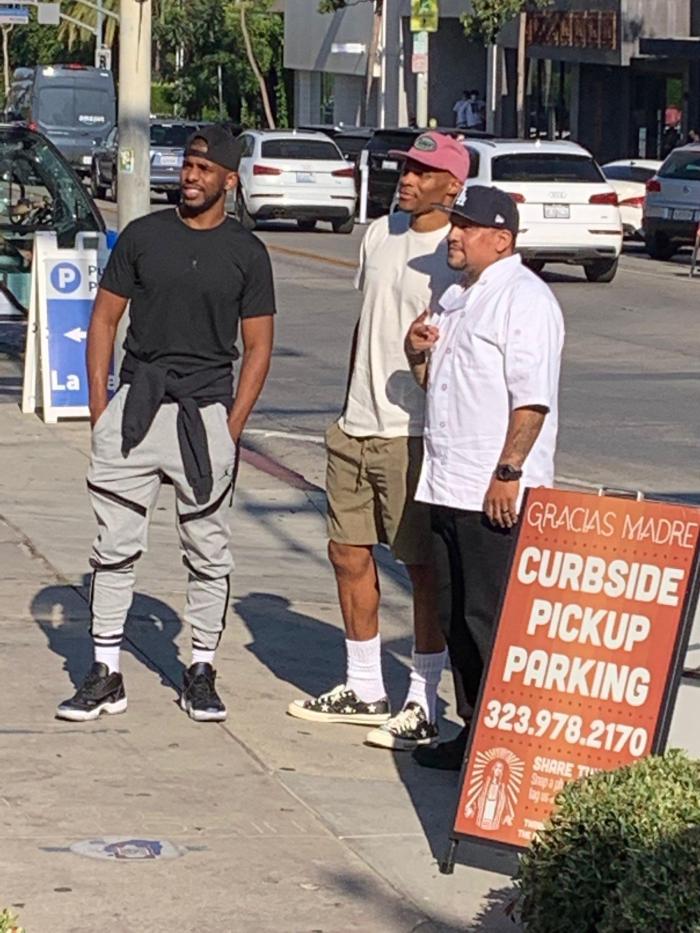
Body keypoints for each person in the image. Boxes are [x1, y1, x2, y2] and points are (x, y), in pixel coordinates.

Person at [56, 126, 275, 723]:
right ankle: (105, 671)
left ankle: (200, 669)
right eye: (188, 164)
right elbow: (104, 320)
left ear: (229, 180)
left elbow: (258, 347)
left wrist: (231, 427)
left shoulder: (247, 252)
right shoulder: (143, 235)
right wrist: (102, 408)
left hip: (205, 416)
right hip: (137, 410)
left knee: (208, 551)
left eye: (204, 168)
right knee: (113, 546)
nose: (191, 175)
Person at [287, 133, 469, 750]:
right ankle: (364, 686)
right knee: (347, 553)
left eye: (423, 171)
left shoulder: (454, 252)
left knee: (421, 567)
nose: (408, 179)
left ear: (452, 186)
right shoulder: (379, 233)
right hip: (357, 424)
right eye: (406, 168)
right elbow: (367, 323)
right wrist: (347, 407)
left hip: (412, 431)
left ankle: (424, 700)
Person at [405, 185, 564, 769]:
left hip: (493, 492)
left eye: (467, 227)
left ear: (501, 239)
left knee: (490, 619)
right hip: (447, 483)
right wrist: (416, 352)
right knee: (454, 615)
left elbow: (532, 400)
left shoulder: (525, 299)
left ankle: (504, 745)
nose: (454, 234)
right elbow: (439, 385)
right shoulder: (455, 296)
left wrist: (508, 472)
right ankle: (474, 732)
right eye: (456, 223)